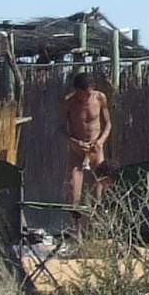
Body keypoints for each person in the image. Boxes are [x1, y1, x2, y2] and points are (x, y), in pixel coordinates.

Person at [60, 70, 112, 205]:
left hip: (96, 149)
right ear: (76, 90)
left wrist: (100, 141)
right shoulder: (69, 102)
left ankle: (95, 224)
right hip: (77, 151)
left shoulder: (100, 98)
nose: (84, 97)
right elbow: (60, 128)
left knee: (98, 191)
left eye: (87, 94)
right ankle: (74, 224)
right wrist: (74, 142)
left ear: (92, 88)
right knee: (73, 189)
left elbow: (108, 124)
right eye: (80, 94)